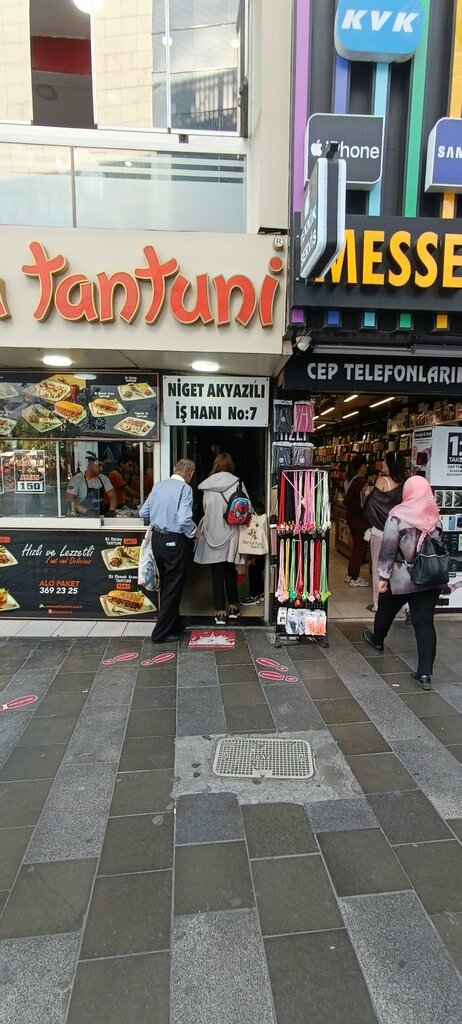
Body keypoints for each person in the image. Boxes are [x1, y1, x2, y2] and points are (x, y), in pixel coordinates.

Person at [363, 475, 443, 691]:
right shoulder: (434, 515)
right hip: (428, 579)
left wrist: (383, 577)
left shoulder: (397, 516)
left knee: (386, 609)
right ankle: (424, 672)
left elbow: (388, 549)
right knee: (424, 623)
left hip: (402, 578)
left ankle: (377, 640)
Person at [139, 458, 198, 644]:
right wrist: (194, 532)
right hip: (174, 540)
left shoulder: (159, 485)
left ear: (174, 469)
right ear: (191, 474)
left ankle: (174, 625)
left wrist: (159, 517)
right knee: (173, 587)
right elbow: (184, 519)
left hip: (157, 539)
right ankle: (160, 634)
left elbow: (143, 513)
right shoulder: (185, 489)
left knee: (166, 584)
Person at [194, 452, 247, 625]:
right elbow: (246, 508)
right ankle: (233, 607)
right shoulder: (238, 483)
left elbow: (204, 509)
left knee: (216, 573)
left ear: (215, 465)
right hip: (232, 532)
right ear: (230, 465)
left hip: (211, 533)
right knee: (230, 570)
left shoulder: (206, 486)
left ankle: (220, 612)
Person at [363, 453, 407, 612]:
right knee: (399, 568)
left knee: (378, 568)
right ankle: (405, 605)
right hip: (400, 532)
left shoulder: (382, 481)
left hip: (381, 532)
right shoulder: (405, 483)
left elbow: (371, 505)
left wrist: (367, 494)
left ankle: (378, 605)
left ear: (390, 464)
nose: (381, 463)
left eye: (384, 461)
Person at [344, 455, 369, 587]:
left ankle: (350, 574)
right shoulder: (361, 482)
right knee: (360, 548)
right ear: (362, 466)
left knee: (356, 547)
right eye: (366, 466)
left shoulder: (348, 480)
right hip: (360, 519)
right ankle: (354, 576)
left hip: (351, 517)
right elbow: (366, 499)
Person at [66, 453, 117, 517]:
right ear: (90, 464)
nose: (101, 469)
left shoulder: (104, 479)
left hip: (100, 517)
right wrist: (86, 512)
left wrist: (112, 510)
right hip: (83, 518)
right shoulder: (77, 480)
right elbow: (70, 499)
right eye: (99, 465)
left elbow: (113, 495)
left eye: (103, 466)